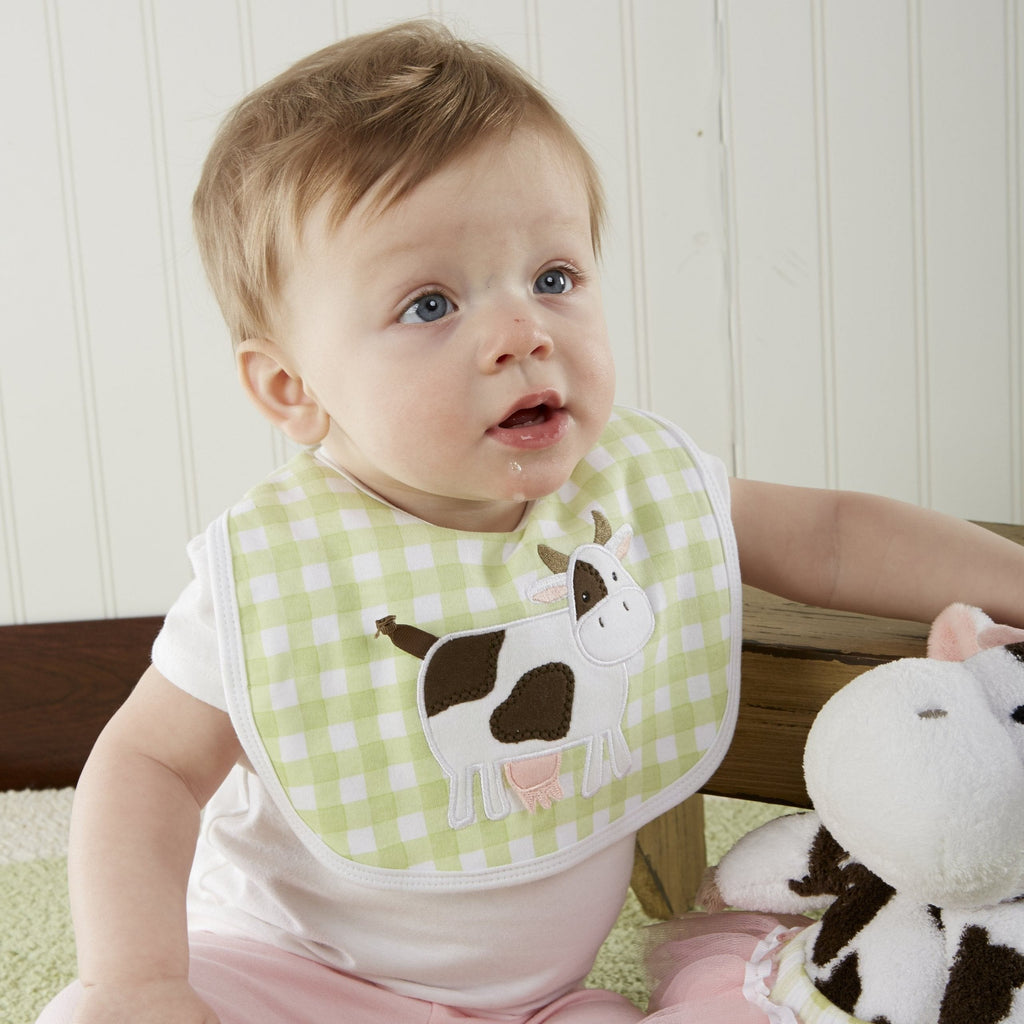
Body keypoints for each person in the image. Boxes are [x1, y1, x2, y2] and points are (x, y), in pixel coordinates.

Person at [37, 19, 1024, 1024]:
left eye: (553, 278)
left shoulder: (630, 487)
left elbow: (833, 537)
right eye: (430, 305)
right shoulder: (280, 569)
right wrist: (139, 978)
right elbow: (149, 768)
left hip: (539, 1005)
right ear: (292, 386)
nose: (523, 333)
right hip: (292, 979)